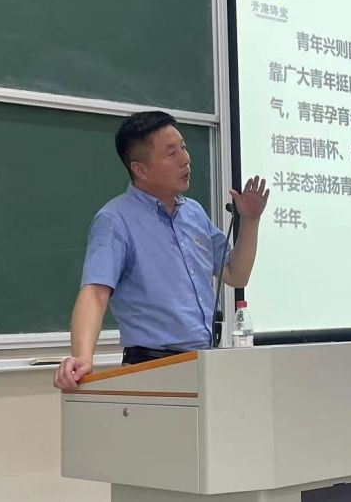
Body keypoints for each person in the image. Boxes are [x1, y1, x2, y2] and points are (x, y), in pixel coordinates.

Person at [53, 111, 269, 391]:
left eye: (184, 147)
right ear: (140, 169)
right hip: (151, 368)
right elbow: (95, 292)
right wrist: (83, 358)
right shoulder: (116, 219)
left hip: (205, 365)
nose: (185, 159)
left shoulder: (194, 213)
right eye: (171, 153)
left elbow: (235, 275)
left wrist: (250, 221)